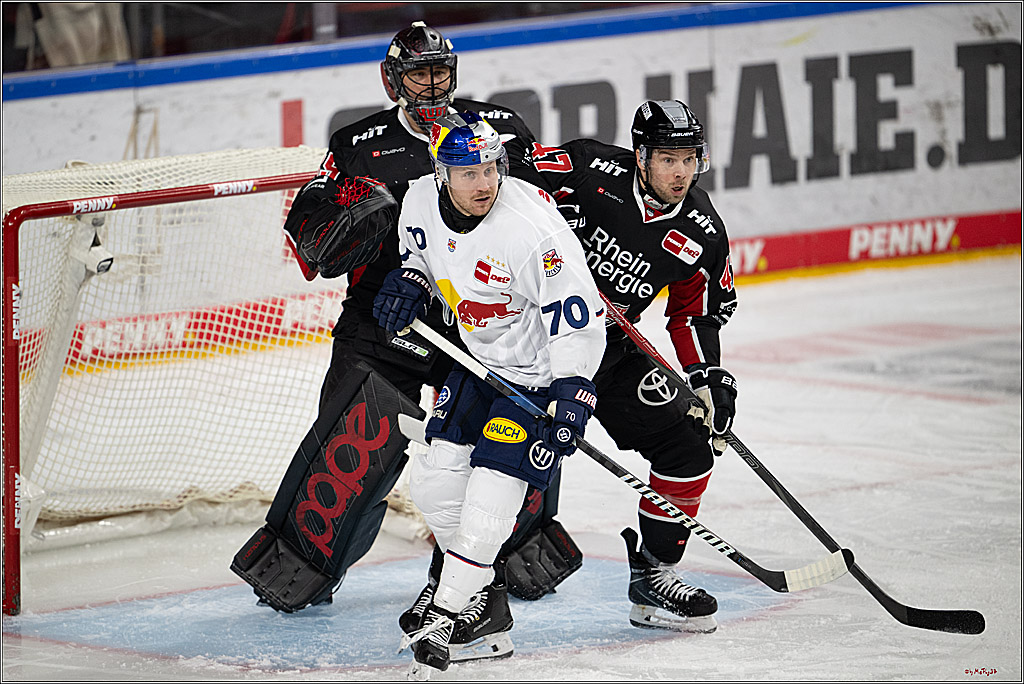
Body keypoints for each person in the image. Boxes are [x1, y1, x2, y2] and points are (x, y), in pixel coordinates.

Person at [271, 21, 582, 650]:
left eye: (441, 72)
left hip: (474, 329)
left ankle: (463, 587)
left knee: (476, 462)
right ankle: (305, 567)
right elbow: (311, 220)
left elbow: (554, 203)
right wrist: (342, 232)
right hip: (383, 320)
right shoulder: (360, 143)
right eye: (419, 74)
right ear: (394, 80)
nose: (433, 85)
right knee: (348, 450)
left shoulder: (495, 131)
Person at [373, 111, 606, 676]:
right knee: (433, 482)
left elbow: (580, 319)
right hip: (475, 364)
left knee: (488, 505)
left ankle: (451, 611)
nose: (483, 182)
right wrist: (412, 279)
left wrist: (572, 389)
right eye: (467, 171)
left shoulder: (532, 230)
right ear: (440, 173)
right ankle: (483, 600)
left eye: (490, 166)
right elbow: (423, 256)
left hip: (537, 381)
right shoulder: (418, 203)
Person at [529, 99, 739, 633]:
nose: (680, 171)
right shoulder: (585, 169)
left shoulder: (702, 232)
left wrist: (707, 376)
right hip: (526, 336)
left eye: (689, 158)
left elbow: (694, 314)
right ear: (640, 155)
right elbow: (497, 180)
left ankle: (653, 576)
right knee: (503, 455)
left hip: (607, 344)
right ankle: (460, 586)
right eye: (667, 158)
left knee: (688, 442)